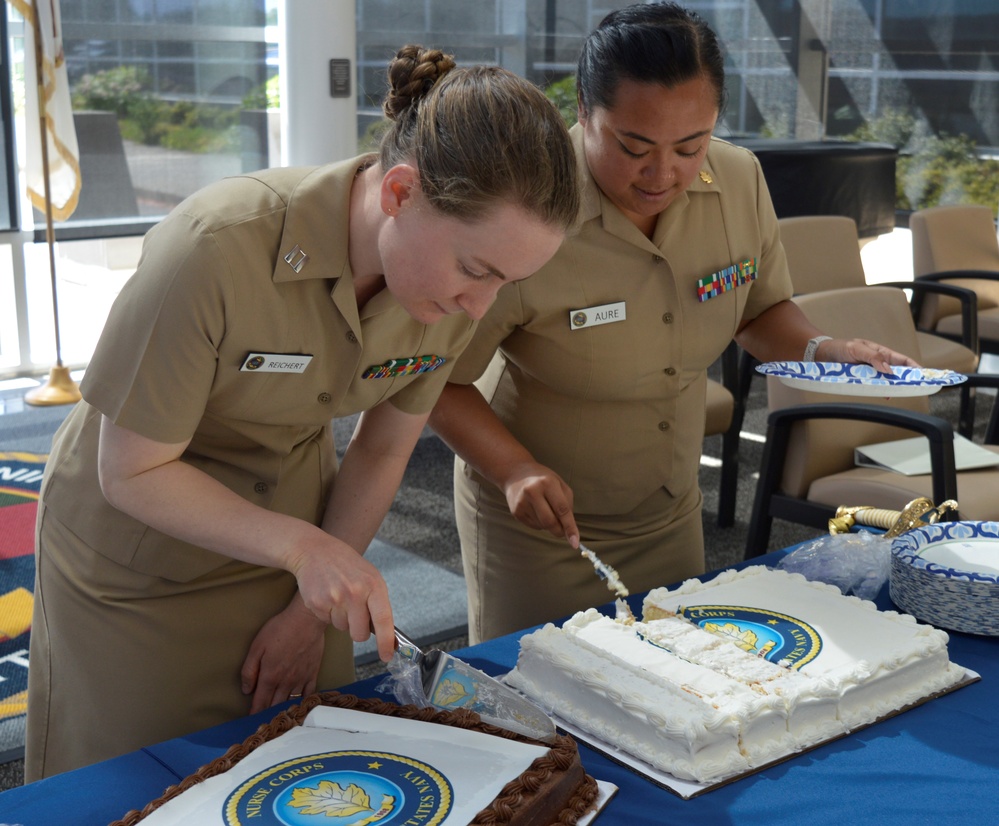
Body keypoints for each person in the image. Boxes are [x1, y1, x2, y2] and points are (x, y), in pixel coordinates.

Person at [25, 45, 579, 780]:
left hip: (300, 542)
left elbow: (382, 452)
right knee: (136, 785)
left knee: (295, 769)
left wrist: (304, 606)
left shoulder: (451, 289)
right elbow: (132, 469)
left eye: (505, 282)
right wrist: (303, 552)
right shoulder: (215, 247)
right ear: (399, 194)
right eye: (476, 269)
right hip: (140, 558)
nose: (480, 306)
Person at [428, 3, 917, 644]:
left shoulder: (739, 180)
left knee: (679, 686)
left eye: (690, 146)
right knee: (547, 712)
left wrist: (823, 346)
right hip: (544, 526)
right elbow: (436, 379)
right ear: (581, 111)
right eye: (634, 147)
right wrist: (514, 469)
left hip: (669, 507)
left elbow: (757, 309)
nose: (663, 175)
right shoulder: (528, 207)